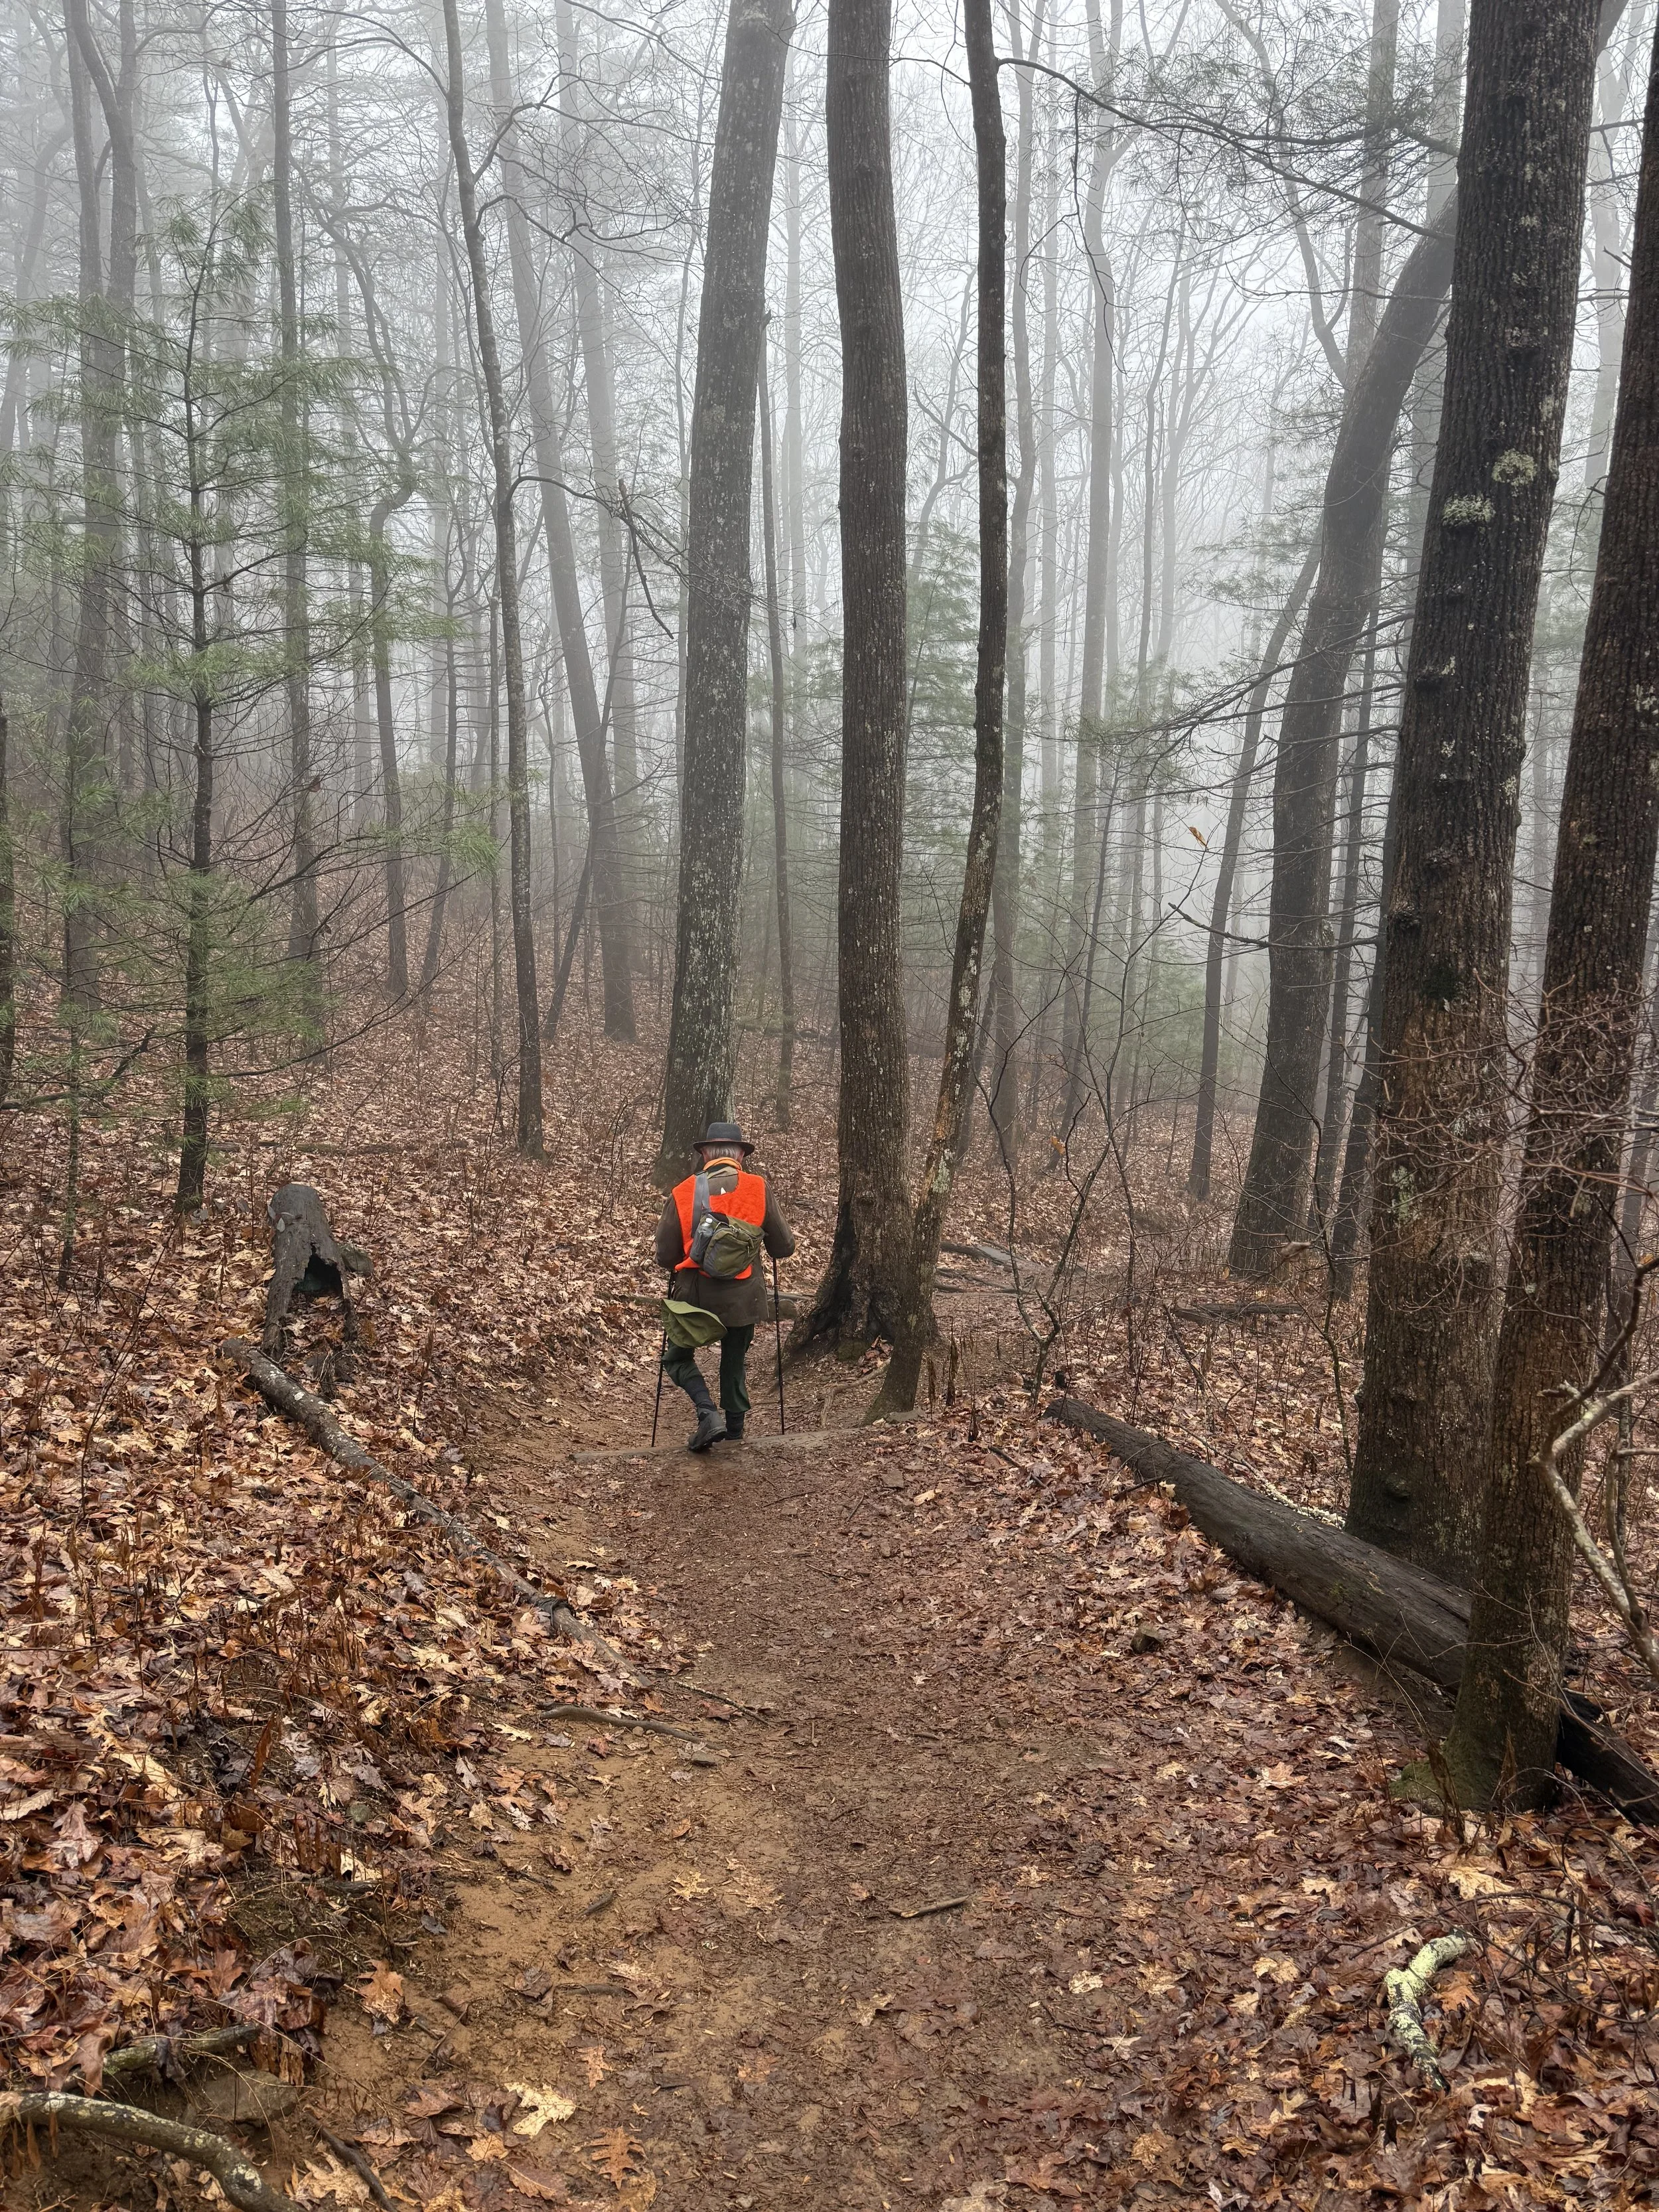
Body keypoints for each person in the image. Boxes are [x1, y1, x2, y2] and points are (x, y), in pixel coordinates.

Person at [656, 1121, 795, 1451]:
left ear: (705, 1154)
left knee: (677, 1357)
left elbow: (665, 1255)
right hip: (743, 1297)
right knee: (733, 1361)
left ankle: (707, 1412)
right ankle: (734, 1432)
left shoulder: (683, 1190)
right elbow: (784, 1247)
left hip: (695, 1295)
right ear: (740, 1156)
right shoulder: (758, 1188)